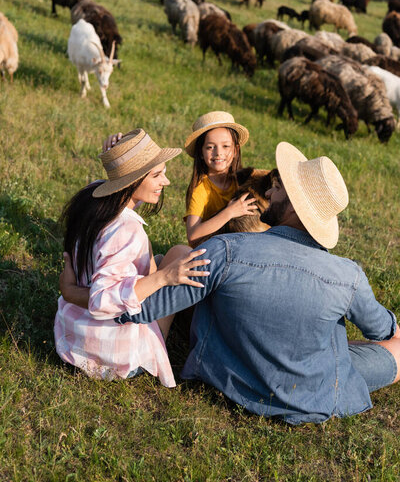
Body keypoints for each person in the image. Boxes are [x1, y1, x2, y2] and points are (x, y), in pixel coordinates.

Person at [59, 141, 400, 424]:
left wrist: (76, 291)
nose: (271, 189)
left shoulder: (224, 250)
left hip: (230, 380)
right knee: (392, 346)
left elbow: (142, 308)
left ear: (295, 208)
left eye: (279, 188)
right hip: (312, 391)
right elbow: (383, 329)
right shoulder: (348, 275)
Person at [54, 128, 209, 387]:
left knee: (169, 255)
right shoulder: (126, 230)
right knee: (180, 258)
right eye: (157, 175)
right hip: (113, 356)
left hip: (74, 335)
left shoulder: (92, 198)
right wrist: (165, 277)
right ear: (133, 180)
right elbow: (103, 298)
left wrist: (115, 159)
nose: (166, 182)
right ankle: (170, 342)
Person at [184, 110, 258, 246]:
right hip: (211, 252)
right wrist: (229, 212)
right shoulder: (200, 190)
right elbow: (192, 235)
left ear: (235, 150)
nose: (218, 153)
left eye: (225, 146)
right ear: (200, 152)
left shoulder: (242, 181)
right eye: (210, 147)